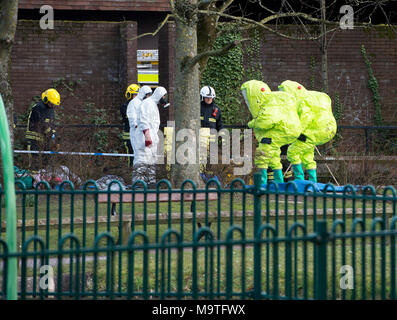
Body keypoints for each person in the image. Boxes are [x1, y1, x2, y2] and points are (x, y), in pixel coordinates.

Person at [241, 80, 302, 185]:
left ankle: (263, 184)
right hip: (285, 132)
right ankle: (282, 182)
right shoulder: (275, 102)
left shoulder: (267, 105)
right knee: (274, 158)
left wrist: (252, 123)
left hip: (274, 135)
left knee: (262, 158)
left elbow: (264, 122)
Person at [278, 80, 337, 183]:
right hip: (319, 130)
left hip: (311, 132)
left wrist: (298, 131)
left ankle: (299, 179)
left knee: (292, 151)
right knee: (307, 156)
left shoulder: (302, 101)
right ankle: (312, 181)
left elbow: (306, 117)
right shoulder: (308, 98)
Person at [132, 86, 168, 187]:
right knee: (141, 160)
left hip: (151, 138)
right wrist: (147, 135)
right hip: (143, 139)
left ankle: (150, 183)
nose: (164, 98)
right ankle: (138, 184)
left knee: (151, 161)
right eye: (164, 96)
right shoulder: (147, 103)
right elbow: (143, 120)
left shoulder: (153, 104)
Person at [25, 88, 60, 170]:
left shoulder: (50, 110)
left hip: (44, 141)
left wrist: (55, 138)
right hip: (33, 140)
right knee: (34, 164)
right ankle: (32, 182)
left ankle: (41, 182)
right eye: (51, 103)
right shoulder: (37, 108)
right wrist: (50, 135)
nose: (52, 106)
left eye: (54, 104)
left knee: (45, 164)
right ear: (45, 99)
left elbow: (52, 125)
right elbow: (40, 124)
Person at [199, 86, 223, 179]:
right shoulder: (198, 107)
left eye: (211, 97)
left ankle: (211, 176)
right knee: (201, 156)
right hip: (200, 138)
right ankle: (200, 175)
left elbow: (220, 124)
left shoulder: (216, 109)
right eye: (207, 97)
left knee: (212, 158)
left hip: (212, 139)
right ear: (202, 97)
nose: (209, 99)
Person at [126, 85, 153, 167]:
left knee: (145, 156)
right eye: (147, 95)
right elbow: (132, 118)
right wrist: (137, 125)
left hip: (144, 133)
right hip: (136, 133)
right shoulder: (133, 103)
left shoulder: (144, 103)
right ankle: (137, 175)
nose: (148, 97)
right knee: (138, 155)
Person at [120, 84, 140, 166]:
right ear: (129, 95)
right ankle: (130, 169)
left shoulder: (139, 105)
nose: (136, 97)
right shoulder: (125, 106)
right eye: (134, 94)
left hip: (137, 134)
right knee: (131, 156)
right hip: (129, 134)